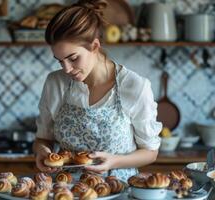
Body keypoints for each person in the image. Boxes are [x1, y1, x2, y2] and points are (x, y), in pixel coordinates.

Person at [33, 0, 162, 182]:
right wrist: (41, 151)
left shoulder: (135, 87)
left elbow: (150, 152)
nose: (66, 69)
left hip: (118, 189)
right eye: (60, 61)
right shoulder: (55, 83)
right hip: (66, 190)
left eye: (73, 58)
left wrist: (114, 161)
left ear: (94, 46)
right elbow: (42, 138)